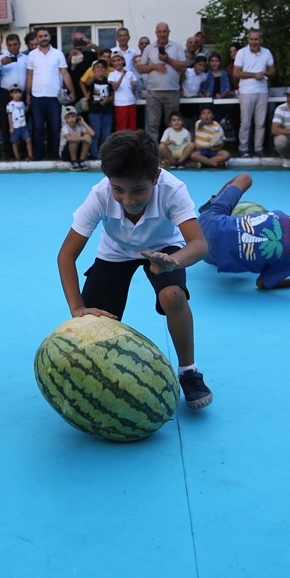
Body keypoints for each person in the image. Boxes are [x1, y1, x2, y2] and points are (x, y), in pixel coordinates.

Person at [55, 130, 212, 409]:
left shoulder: (172, 189)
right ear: (109, 182)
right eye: (119, 190)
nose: (128, 200)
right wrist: (77, 308)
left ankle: (189, 372)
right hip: (115, 251)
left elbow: (199, 244)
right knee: (93, 320)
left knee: (173, 296)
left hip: (165, 247)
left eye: (138, 190)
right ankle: (100, 377)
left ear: (155, 177)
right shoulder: (100, 195)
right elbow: (66, 256)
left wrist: (173, 261)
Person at [197, 172, 290, 289]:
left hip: (206, 221)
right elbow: (261, 283)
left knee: (245, 177)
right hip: (207, 254)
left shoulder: (285, 217)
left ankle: (212, 202)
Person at [25, 27, 75, 160]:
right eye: (40, 36)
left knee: (54, 127)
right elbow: (29, 75)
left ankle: (54, 155)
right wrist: (27, 94)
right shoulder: (32, 55)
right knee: (38, 128)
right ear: (37, 38)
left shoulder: (58, 54)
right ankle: (39, 156)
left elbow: (65, 73)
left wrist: (72, 91)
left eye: (45, 35)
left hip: (54, 96)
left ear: (49, 37)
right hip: (37, 96)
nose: (43, 38)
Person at [136, 22, 187, 142]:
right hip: (153, 92)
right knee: (153, 124)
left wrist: (168, 60)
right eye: (160, 32)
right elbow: (140, 68)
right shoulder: (149, 48)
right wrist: (154, 67)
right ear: (156, 33)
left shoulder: (177, 46)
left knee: (173, 124)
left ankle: (172, 151)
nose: (162, 34)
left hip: (172, 91)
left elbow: (183, 66)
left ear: (169, 32)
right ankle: (153, 153)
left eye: (165, 31)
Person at [232, 28, 276, 158]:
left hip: (262, 90)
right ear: (248, 39)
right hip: (246, 91)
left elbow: (272, 71)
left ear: (261, 40)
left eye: (256, 39)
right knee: (245, 122)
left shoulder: (267, 52)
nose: (253, 42)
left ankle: (258, 148)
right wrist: (254, 75)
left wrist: (264, 73)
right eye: (251, 39)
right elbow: (236, 73)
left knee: (260, 123)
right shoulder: (241, 52)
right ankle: (243, 149)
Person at [81, 58, 113, 158]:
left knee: (106, 133)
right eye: (97, 67)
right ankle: (94, 153)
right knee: (95, 132)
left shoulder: (109, 81)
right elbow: (86, 83)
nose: (100, 69)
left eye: (102, 68)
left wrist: (107, 100)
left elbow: (113, 94)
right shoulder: (92, 81)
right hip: (94, 111)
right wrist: (94, 76)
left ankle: (106, 153)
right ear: (93, 70)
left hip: (107, 110)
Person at [108, 52, 138, 132]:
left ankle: (132, 143)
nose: (117, 63)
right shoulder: (112, 74)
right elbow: (115, 87)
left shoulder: (130, 73)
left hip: (131, 102)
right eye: (114, 61)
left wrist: (134, 85)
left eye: (119, 60)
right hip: (120, 104)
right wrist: (122, 76)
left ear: (123, 61)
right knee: (122, 126)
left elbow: (134, 89)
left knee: (132, 126)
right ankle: (122, 143)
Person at [6, 86, 33, 161]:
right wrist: (11, 127)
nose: (18, 95)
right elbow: (9, 116)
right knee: (15, 142)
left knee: (28, 140)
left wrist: (28, 105)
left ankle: (30, 155)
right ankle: (17, 157)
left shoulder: (22, 103)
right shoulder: (10, 105)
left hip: (23, 126)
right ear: (11, 94)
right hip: (15, 127)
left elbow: (24, 112)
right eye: (15, 93)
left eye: (19, 93)